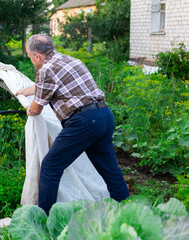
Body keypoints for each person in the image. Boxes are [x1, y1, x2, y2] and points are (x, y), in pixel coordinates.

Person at [15, 34, 129, 214]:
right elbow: (45, 86)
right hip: (103, 116)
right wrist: (22, 91)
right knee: (111, 172)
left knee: (51, 166)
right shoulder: (70, 61)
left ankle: (44, 221)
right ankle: (129, 214)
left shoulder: (46, 69)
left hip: (84, 121)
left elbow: (36, 109)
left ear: (37, 56)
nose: (31, 62)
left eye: (30, 58)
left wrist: (29, 109)